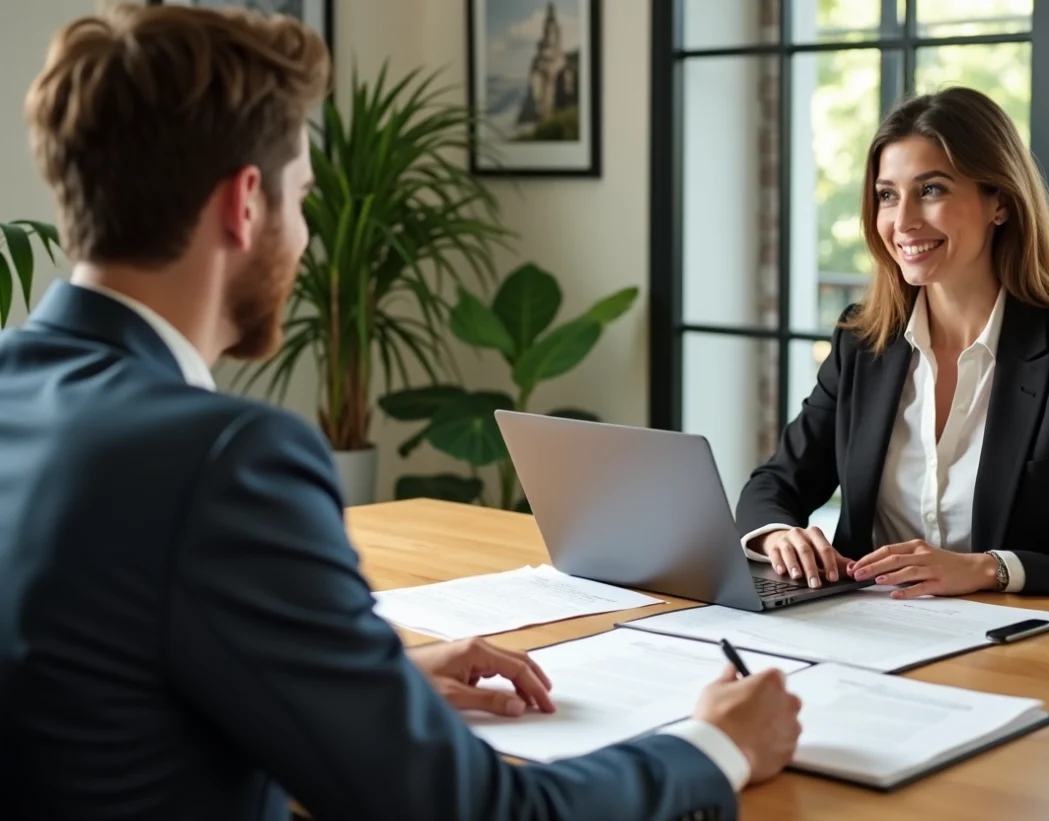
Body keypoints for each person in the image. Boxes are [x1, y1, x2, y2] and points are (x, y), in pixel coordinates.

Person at [0, 5, 801, 821]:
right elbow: (473, 810)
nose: (306, 236)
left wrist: (370, 686)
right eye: (303, 197)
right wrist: (715, 746)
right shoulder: (226, 460)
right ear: (246, 203)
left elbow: (97, 679)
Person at [736, 87, 1049, 612]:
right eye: (888, 195)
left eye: (932, 190)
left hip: (1015, 650)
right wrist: (777, 535)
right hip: (864, 638)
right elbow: (775, 484)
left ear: (1000, 203)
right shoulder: (862, 343)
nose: (903, 222)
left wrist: (988, 569)